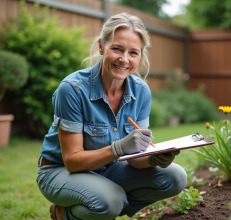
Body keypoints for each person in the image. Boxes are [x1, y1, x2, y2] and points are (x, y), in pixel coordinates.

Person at [36, 12, 187, 220]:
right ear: (101, 47)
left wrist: (153, 158)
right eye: (117, 49)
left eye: (133, 53)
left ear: (140, 56)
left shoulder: (141, 92)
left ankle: (105, 207)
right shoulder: (72, 89)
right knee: (111, 200)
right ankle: (63, 214)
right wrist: (119, 148)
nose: (124, 59)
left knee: (175, 177)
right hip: (60, 172)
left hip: (108, 169)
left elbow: (135, 160)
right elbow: (72, 161)